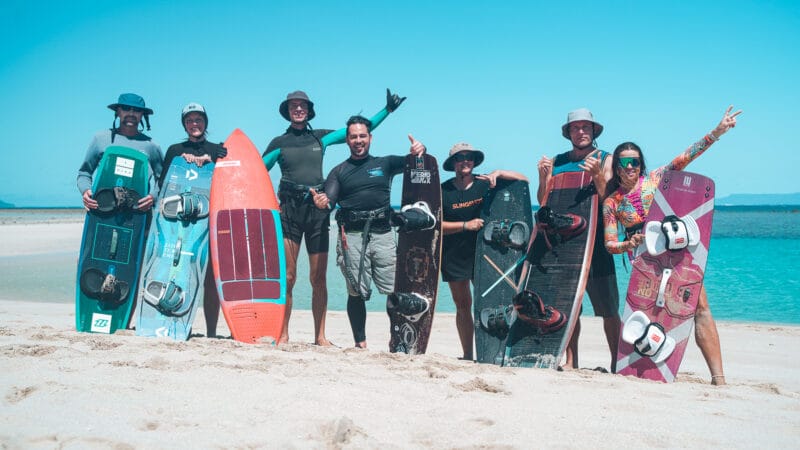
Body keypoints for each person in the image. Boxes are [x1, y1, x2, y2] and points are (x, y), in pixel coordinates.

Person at [603, 106, 741, 385]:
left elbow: (685, 157)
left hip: (677, 255)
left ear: (641, 164)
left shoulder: (656, 180)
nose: (630, 167)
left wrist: (717, 132)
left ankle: (719, 378)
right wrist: (628, 242)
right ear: (616, 166)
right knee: (647, 315)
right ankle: (642, 371)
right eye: (624, 162)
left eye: (634, 161)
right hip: (644, 265)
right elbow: (609, 244)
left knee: (700, 306)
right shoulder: (612, 203)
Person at [263, 89, 406, 346]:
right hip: (290, 213)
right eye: (294, 106)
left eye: (303, 105)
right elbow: (258, 170)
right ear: (287, 111)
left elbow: (358, 131)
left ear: (309, 110)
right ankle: (283, 334)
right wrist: (269, 200)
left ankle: (320, 336)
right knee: (289, 278)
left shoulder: (320, 138)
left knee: (318, 279)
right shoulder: (278, 143)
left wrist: (387, 110)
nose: (298, 109)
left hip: (317, 211)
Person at [310, 115, 426, 348]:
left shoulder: (385, 164)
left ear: (370, 138)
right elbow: (329, 201)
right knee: (356, 292)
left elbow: (414, 163)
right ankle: (360, 343)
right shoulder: (339, 171)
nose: (358, 140)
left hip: (383, 235)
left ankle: (397, 338)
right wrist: (322, 203)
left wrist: (419, 151)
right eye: (353, 137)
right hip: (352, 238)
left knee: (394, 289)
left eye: (362, 136)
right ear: (347, 140)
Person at [536, 108, 620, 372]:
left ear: (594, 131)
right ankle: (572, 360)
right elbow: (543, 200)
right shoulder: (557, 161)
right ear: (568, 133)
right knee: (568, 305)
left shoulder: (606, 159)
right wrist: (543, 177)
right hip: (564, 242)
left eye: (585, 127)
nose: (581, 132)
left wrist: (597, 176)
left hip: (596, 242)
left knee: (608, 307)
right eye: (575, 128)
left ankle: (617, 362)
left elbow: (609, 201)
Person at [440, 142, 528, 360]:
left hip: (486, 254)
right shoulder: (443, 190)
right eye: (459, 157)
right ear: (453, 163)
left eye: (469, 157)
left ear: (474, 161)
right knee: (462, 305)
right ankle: (468, 354)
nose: (465, 161)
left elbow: (523, 181)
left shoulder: (485, 183)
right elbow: (435, 225)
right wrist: (465, 225)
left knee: (491, 303)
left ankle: (494, 351)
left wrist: (500, 172)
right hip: (454, 254)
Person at [159, 103, 227, 337]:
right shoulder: (175, 150)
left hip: (211, 220)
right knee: (181, 273)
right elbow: (164, 186)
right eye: (189, 120)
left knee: (210, 279)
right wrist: (183, 163)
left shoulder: (218, 150)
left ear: (205, 123)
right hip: (182, 222)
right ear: (184, 125)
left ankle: (211, 332)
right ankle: (178, 324)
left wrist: (211, 161)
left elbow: (228, 179)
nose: (194, 124)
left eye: (198, 120)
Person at [78, 93, 163, 212]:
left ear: (142, 114)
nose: (131, 114)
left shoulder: (151, 146)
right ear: (118, 111)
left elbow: (163, 180)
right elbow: (84, 173)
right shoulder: (100, 139)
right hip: (102, 208)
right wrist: (86, 191)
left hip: (138, 212)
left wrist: (153, 197)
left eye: (137, 110)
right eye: (126, 108)